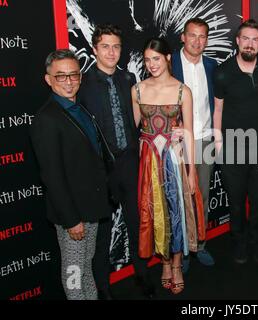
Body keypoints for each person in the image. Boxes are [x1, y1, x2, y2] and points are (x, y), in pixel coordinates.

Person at [77, 24, 154, 300]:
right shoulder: (82, 84)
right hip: (100, 170)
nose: (111, 52)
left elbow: (136, 121)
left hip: (130, 162)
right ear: (95, 48)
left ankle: (142, 275)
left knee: (137, 222)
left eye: (116, 46)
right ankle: (103, 287)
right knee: (103, 232)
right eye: (105, 46)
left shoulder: (129, 79)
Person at [30, 49, 112, 300]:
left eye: (73, 75)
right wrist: (70, 220)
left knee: (86, 266)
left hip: (91, 207)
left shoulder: (79, 109)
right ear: (48, 79)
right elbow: (52, 177)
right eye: (61, 76)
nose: (69, 81)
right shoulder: (47, 119)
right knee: (74, 272)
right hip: (73, 215)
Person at [132, 37, 204, 295]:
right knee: (155, 212)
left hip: (174, 160)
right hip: (150, 161)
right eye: (148, 59)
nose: (152, 64)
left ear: (168, 58)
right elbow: (134, 130)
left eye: (157, 58)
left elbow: (189, 132)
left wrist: (191, 169)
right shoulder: (137, 90)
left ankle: (175, 265)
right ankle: (163, 262)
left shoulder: (183, 90)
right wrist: (145, 141)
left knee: (176, 212)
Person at [214, 19, 258, 265]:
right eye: (246, 39)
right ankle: (239, 242)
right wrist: (219, 146)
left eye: (255, 40)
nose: (250, 44)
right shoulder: (223, 72)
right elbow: (217, 109)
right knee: (237, 202)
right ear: (238, 41)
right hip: (233, 148)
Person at [171, 17, 217, 273]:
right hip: (177, 143)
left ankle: (201, 243)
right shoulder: (169, 64)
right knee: (179, 197)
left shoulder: (212, 65)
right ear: (183, 37)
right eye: (192, 35)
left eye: (202, 37)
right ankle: (183, 250)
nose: (197, 41)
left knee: (203, 195)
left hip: (205, 139)